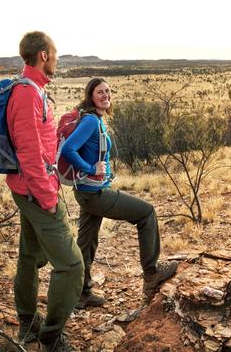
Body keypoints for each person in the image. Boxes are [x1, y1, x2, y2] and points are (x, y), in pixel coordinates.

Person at [61, 77, 177, 309]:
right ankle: (151, 272)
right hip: (93, 194)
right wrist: (90, 168)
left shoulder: (96, 119)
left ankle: (81, 293)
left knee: (86, 241)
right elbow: (68, 149)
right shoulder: (91, 121)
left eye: (108, 91)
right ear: (90, 96)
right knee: (146, 213)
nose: (105, 95)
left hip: (88, 191)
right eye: (100, 92)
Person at [7, 31, 84, 352]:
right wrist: (49, 198)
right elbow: (28, 152)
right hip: (35, 191)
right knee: (71, 265)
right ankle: (51, 335)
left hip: (26, 189)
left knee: (29, 254)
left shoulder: (33, 89)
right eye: (54, 53)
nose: (57, 58)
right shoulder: (28, 94)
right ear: (42, 55)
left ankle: (27, 320)